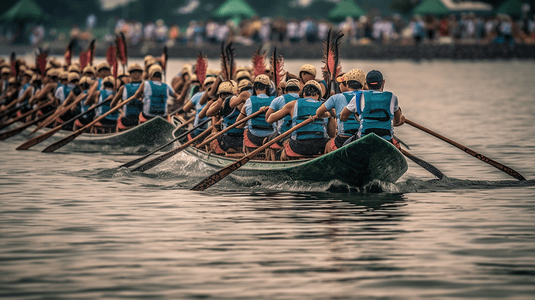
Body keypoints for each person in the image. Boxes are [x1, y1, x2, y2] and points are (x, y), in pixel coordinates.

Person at [266, 80, 335, 160]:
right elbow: (332, 134)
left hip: (298, 146)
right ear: (318, 96)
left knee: (285, 142)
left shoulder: (293, 104)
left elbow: (269, 119)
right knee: (331, 142)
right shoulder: (324, 106)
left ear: (304, 94)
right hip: (319, 147)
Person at [340, 70, 405, 146]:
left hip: (364, 138)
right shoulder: (393, 98)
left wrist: (357, 119)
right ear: (383, 82)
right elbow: (397, 121)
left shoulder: (359, 96)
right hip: (386, 139)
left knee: (344, 145)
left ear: (366, 84)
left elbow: (343, 116)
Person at [316, 68, 365, 153]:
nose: (339, 86)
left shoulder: (336, 97)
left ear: (347, 84)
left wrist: (328, 115)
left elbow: (318, 112)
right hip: (363, 137)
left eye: (340, 83)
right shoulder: (367, 96)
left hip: (344, 138)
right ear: (362, 85)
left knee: (328, 145)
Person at [235, 74, 276, 153]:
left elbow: (238, 124)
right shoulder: (274, 100)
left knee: (246, 130)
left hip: (254, 137)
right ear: (266, 88)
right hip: (270, 137)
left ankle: (246, 154)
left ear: (255, 88)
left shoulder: (249, 100)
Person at [263, 78, 301, 160]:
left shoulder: (278, 99)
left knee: (267, 140)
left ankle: (271, 161)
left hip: (283, 135)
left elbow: (267, 119)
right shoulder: (303, 100)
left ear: (286, 91)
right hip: (299, 136)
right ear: (299, 91)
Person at [206, 81, 241, 154]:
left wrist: (218, 101)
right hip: (241, 138)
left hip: (228, 140)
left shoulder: (223, 103)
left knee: (213, 137)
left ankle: (214, 152)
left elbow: (208, 113)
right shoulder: (240, 101)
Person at [110, 63, 144, 131]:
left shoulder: (123, 88)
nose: (135, 75)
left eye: (136, 73)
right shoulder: (147, 86)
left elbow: (112, 105)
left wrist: (119, 110)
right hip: (142, 120)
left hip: (128, 120)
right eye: (134, 73)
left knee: (120, 119)